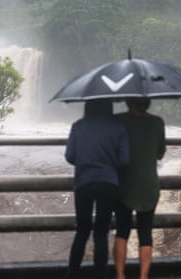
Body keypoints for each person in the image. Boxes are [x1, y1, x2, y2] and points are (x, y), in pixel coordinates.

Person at [65, 99, 130, 279]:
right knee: (102, 232)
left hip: (84, 182)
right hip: (109, 183)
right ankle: (100, 274)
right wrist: (108, 164)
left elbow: (70, 156)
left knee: (82, 230)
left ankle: (72, 274)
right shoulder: (118, 127)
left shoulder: (78, 126)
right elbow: (124, 161)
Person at [112, 97, 166, 279]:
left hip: (123, 183)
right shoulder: (157, 122)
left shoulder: (118, 121)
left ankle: (120, 275)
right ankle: (143, 277)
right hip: (148, 185)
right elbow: (160, 153)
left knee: (122, 231)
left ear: (127, 101)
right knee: (145, 233)